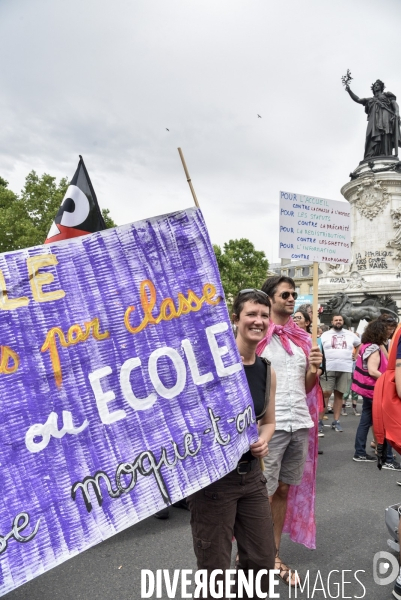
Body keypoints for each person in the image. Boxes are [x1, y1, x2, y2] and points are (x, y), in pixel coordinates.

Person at [187, 289, 276, 598]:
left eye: (264, 315)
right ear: (235, 319)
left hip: (251, 478)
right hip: (214, 483)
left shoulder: (267, 369)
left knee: (262, 561)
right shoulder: (210, 366)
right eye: (252, 314)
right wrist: (220, 379)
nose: (259, 321)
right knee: (213, 570)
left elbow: (268, 421)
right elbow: (190, 417)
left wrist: (263, 441)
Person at [256, 275, 322, 587]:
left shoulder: (302, 340)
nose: (291, 299)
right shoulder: (257, 336)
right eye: (285, 294)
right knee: (261, 495)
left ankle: (274, 554)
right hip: (271, 425)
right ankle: (253, 555)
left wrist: (314, 369)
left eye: (294, 294)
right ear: (269, 298)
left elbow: (306, 388)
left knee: (283, 490)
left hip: (300, 424)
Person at [351, 320, 395, 464]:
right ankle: (387, 458)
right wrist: (389, 380)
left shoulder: (365, 345)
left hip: (367, 390)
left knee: (365, 421)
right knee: (383, 424)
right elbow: (372, 371)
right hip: (374, 390)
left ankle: (360, 452)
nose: (388, 333)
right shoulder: (374, 348)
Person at [320, 314, 360, 432]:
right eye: (336, 320)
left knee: (339, 395)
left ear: (343, 321)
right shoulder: (325, 335)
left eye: (340, 320)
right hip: (328, 368)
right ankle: (320, 421)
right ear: (332, 322)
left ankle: (336, 421)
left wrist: (356, 354)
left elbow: (358, 344)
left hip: (345, 368)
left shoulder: (350, 334)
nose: (338, 321)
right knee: (325, 394)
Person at [345, 79, 401, 158]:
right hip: (373, 121)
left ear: (381, 87)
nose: (376, 86)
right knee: (371, 135)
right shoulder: (370, 100)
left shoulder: (387, 95)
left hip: (385, 116)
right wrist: (349, 91)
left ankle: (386, 154)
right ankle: (373, 154)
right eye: (374, 86)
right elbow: (358, 99)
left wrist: (397, 113)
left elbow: (395, 105)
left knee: (385, 133)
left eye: (377, 85)